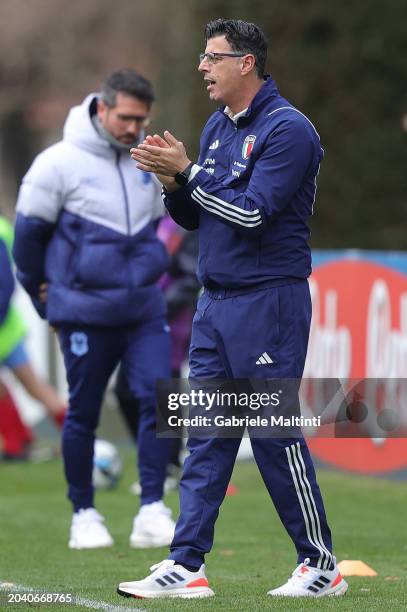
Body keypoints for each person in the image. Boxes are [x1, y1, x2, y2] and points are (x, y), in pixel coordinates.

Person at [117, 19, 348, 599]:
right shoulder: (219, 126)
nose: (202, 67)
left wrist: (188, 173)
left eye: (213, 57)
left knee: (272, 433)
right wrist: (175, 183)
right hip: (215, 302)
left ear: (246, 63)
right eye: (202, 56)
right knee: (207, 435)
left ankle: (320, 563)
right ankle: (186, 564)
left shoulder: (289, 130)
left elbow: (251, 215)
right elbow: (198, 218)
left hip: (269, 300)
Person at [13, 69, 176, 549]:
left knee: (158, 401)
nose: (134, 128)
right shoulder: (56, 164)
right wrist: (43, 292)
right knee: (82, 412)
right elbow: (27, 241)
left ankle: (152, 508)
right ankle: (84, 514)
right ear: (101, 109)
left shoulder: (148, 158)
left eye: (141, 119)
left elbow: (161, 227)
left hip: (144, 308)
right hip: (84, 312)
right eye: (126, 118)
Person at [116, 215, 200, 494]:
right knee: (126, 391)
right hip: (139, 318)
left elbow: (189, 278)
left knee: (165, 392)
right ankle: (157, 461)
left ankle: (168, 466)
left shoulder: (182, 222)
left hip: (169, 319)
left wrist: (158, 307)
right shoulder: (149, 219)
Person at [0, 215, 65, 460]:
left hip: (4, 326)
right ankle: (18, 442)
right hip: (6, 324)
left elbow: (4, 283)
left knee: (32, 385)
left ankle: (75, 434)